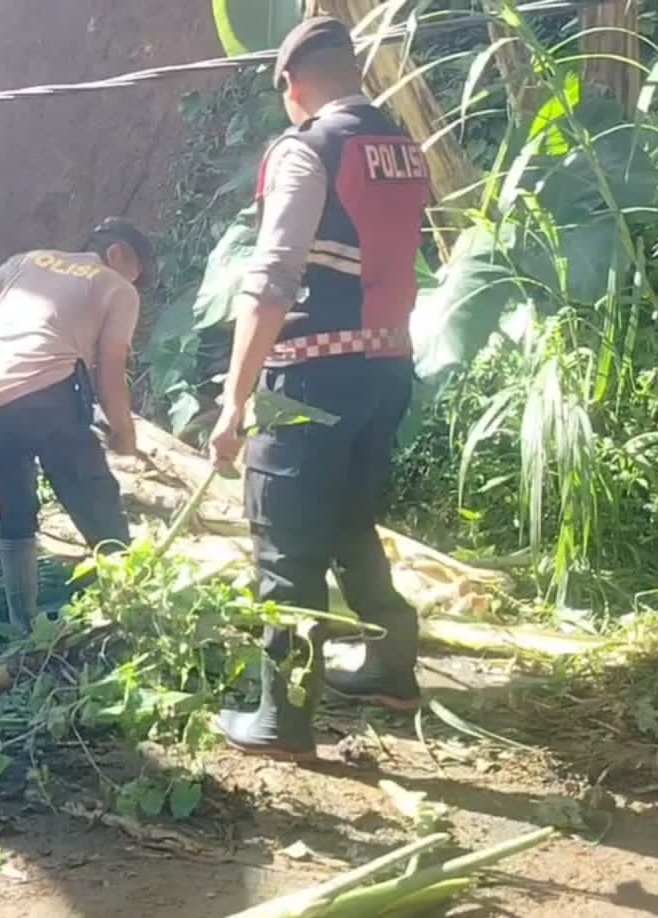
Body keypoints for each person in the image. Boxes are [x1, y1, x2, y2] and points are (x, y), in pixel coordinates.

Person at [206, 17, 432, 761]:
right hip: (386, 368)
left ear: (291, 84)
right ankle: (392, 667)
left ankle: (283, 718)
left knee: (287, 545)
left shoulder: (308, 149)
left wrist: (235, 399)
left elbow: (273, 279)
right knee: (350, 523)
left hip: (309, 375)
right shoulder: (402, 147)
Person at [0, 218, 154, 630]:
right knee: (94, 498)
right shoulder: (117, 287)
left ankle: (24, 627)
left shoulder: (26, 261)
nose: (133, 283)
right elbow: (110, 371)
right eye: (135, 273)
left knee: (14, 513)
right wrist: (124, 431)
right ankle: (131, 606)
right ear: (118, 254)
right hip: (48, 394)